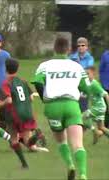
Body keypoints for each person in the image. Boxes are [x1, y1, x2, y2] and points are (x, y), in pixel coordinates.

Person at [32, 37, 89, 180]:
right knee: (77, 143)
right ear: (69, 50)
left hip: (53, 106)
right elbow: (85, 87)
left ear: (54, 49)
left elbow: (38, 82)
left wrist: (44, 97)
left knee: (61, 140)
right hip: (72, 105)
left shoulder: (44, 65)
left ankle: (70, 165)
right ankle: (83, 174)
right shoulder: (77, 66)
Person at [0, 59, 48, 168]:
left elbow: (9, 100)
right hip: (27, 112)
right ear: (17, 69)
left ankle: (24, 163)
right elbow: (31, 98)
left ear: (6, 69)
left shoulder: (7, 82)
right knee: (28, 143)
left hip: (15, 114)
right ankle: (37, 136)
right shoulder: (23, 81)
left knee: (13, 139)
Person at [82, 66, 109, 144]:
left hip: (99, 107)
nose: (86, 76)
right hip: (98, 107)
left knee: (82, 117)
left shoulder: (94, 84)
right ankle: (98, 132)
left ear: (93, 74)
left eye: (88, 73)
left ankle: (95, 131)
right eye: (85, 74)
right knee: (102, 127)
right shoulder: (88, 84)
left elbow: (106, 94)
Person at [69, 37, 94, 113]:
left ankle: (83, 124)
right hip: (73, 84)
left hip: (84, 85)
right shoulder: (72, 57)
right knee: (73, 107)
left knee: (83, 107)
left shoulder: (90, 58)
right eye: (78, 46)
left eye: (83, 45)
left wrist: (78, 66)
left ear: (86, 47)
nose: (80, 47)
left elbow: (89, 71)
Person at [99, 49, 109, 128]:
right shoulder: (105, 55)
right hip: (106, 85)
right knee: (106, 106)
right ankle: (106, 125)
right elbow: (101, 69)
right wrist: (103, 82)